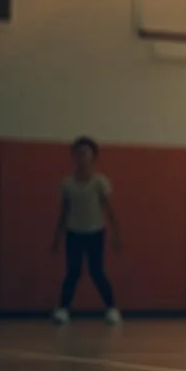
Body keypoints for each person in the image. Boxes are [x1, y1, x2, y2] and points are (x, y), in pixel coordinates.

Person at [51, 136, 122, 325]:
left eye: (86, 153)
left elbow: (108, 209)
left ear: (93, 157)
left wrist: (116, 233)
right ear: (74, 156)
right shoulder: (67, 183)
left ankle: (112, 308)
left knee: (96, 271)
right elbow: (64, 211)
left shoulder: (100, 182)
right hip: (73, 232)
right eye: (79, 152)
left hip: (95, 232)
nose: (82, 156)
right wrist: (57, 237)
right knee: (72, 272)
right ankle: (63, 309)